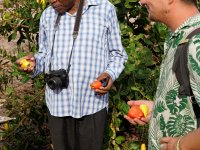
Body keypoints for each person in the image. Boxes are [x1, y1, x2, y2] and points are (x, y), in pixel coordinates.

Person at [16, 0, 128, 150]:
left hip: (92, 103)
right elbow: (44, 55)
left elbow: (118, 54)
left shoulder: (104, 9)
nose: (51, 1)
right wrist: (34, 64)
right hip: (58, 104)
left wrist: (110, 73)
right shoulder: (48, 15)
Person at [124, 0, 200, 149]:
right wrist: (160, 110)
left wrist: (180, 145)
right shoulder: (179, 37)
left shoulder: (197, 43)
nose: (142, 1)